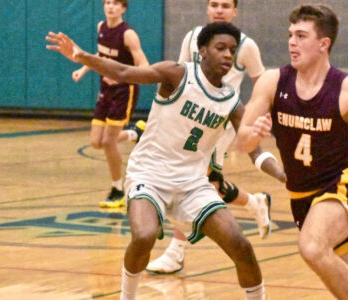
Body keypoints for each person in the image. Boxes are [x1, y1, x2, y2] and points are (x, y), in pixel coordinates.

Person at [47, 22, 266, 300]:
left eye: (232, 51)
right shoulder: (176, 73)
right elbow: (125, 72)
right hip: (150, 174)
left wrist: (282, 173)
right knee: (144, 235)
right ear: (202, 51)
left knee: (241, 245)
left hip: (192, 184)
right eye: (220, 48)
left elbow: (255, 147)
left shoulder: (231, 101)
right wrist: (81, 55)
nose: (227, 55)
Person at [236, 4, 348, 300]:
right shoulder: (272, 82)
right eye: (291, 34)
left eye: (302, 36)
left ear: (323, 43)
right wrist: (252, 135)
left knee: (313, 247)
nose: (292, 42)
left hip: (341, 185)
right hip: (301, 196)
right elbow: (242, 144)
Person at [146, 0, 286, 275]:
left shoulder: (247, 46)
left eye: (225, 5)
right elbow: (183, 77)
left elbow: (262, 84)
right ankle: (255, 201)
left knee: (189, 182)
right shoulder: (192, 38)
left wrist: (259, 117)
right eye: (214, 4)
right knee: (211, 185)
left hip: (220, 124)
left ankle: (175, 253)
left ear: (235, 11)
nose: (219, 9)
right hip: (189, 119)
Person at [72, 0, 150, 209]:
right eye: (107, 2)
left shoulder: (128, 34)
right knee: (96, 141)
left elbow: (144, 66)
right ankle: (135, 134)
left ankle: (118, 190)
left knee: (108, 142)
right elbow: (101, 55)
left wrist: (122, 77)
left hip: (124, 91)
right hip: (105, 90)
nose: (110, 6)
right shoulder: (101, 27)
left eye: (116, 3)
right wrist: (84, 68)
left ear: (123, 8)